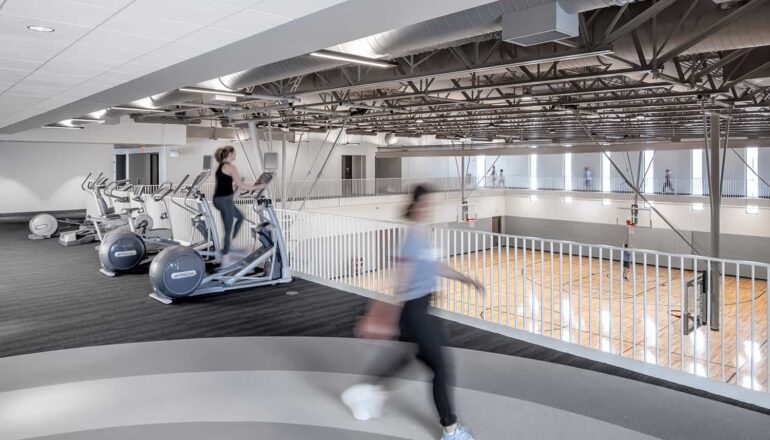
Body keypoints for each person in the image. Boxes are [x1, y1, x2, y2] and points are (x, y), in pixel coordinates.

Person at [341, 184, 485, 440]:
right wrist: (391, 314)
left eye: (430, 203)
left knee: (416, 357)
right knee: (441, 368)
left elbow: (435, 265)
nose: (428, 207)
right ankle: (450, 431)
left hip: (424, 307)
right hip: (414, 309)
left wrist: (465, 279)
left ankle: (367, 390)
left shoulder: (422, 233)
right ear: (417, 204)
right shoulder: (410, 239)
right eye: (425, 203)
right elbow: (402, 281)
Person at [212, 145, 258, 265]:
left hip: (219, 200)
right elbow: (242, 186)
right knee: (228, 229)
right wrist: (260, 186)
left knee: (241, 217)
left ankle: (231, 243)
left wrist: (235, 187)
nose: (235, 156)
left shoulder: (221, 166)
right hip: (225, 200)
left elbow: (226, 184)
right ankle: (225, 259)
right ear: (230, 154)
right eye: (234, 153)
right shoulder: (231, 167)